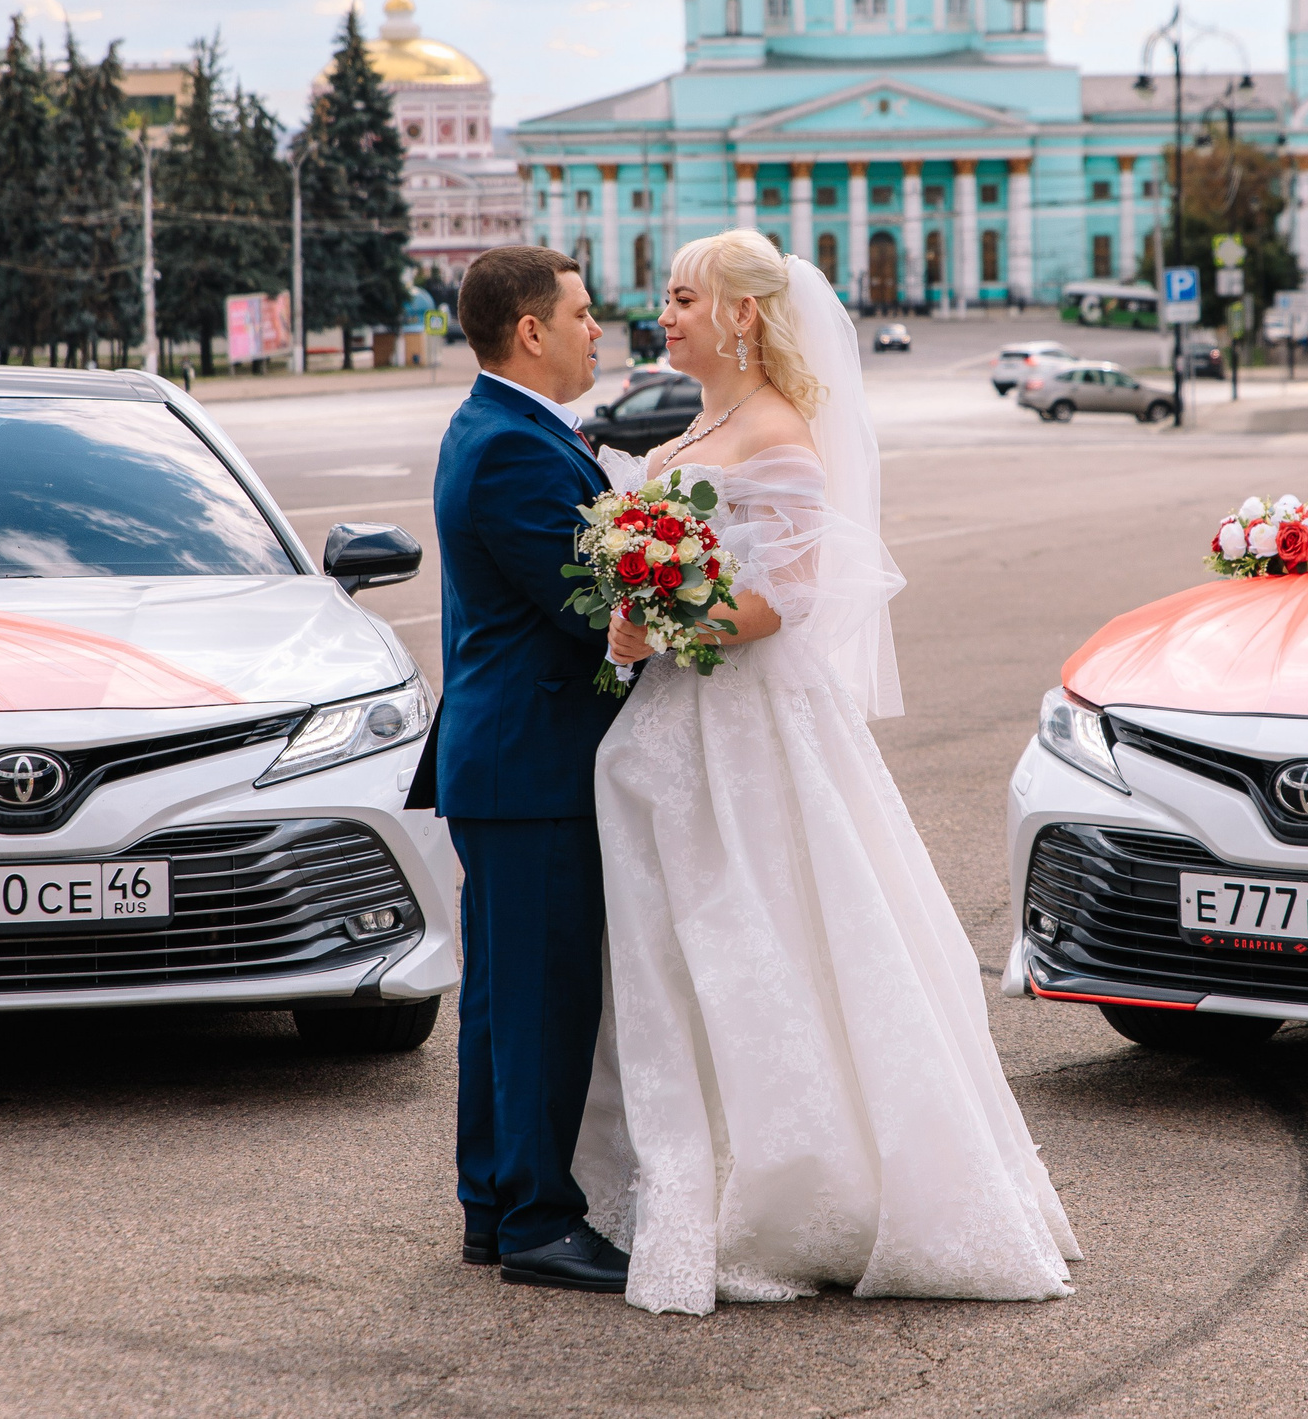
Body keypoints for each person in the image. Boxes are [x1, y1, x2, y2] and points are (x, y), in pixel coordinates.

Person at [575, 229, 1079, 1316]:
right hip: (679, 726)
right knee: (689, 945)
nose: (661, 315)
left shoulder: (776, 433)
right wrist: (636, 612)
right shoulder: (698, 425)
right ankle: (692, 1169)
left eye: (681, 298)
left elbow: (784, 599)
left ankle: (811, 1188)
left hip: (753, 728)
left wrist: (654, 624)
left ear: (743, 315)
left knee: (772, 931)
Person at [406, 245, 633, 1294]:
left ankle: (494, 1206)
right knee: (540, 997)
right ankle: (539, 1218)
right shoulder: (509, 447)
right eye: (583, 314)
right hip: (532, 763)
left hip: (510, 761)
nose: (599, 330)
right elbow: (593, 612)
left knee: (505, 994)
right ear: (530, 330)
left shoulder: (507, 428)